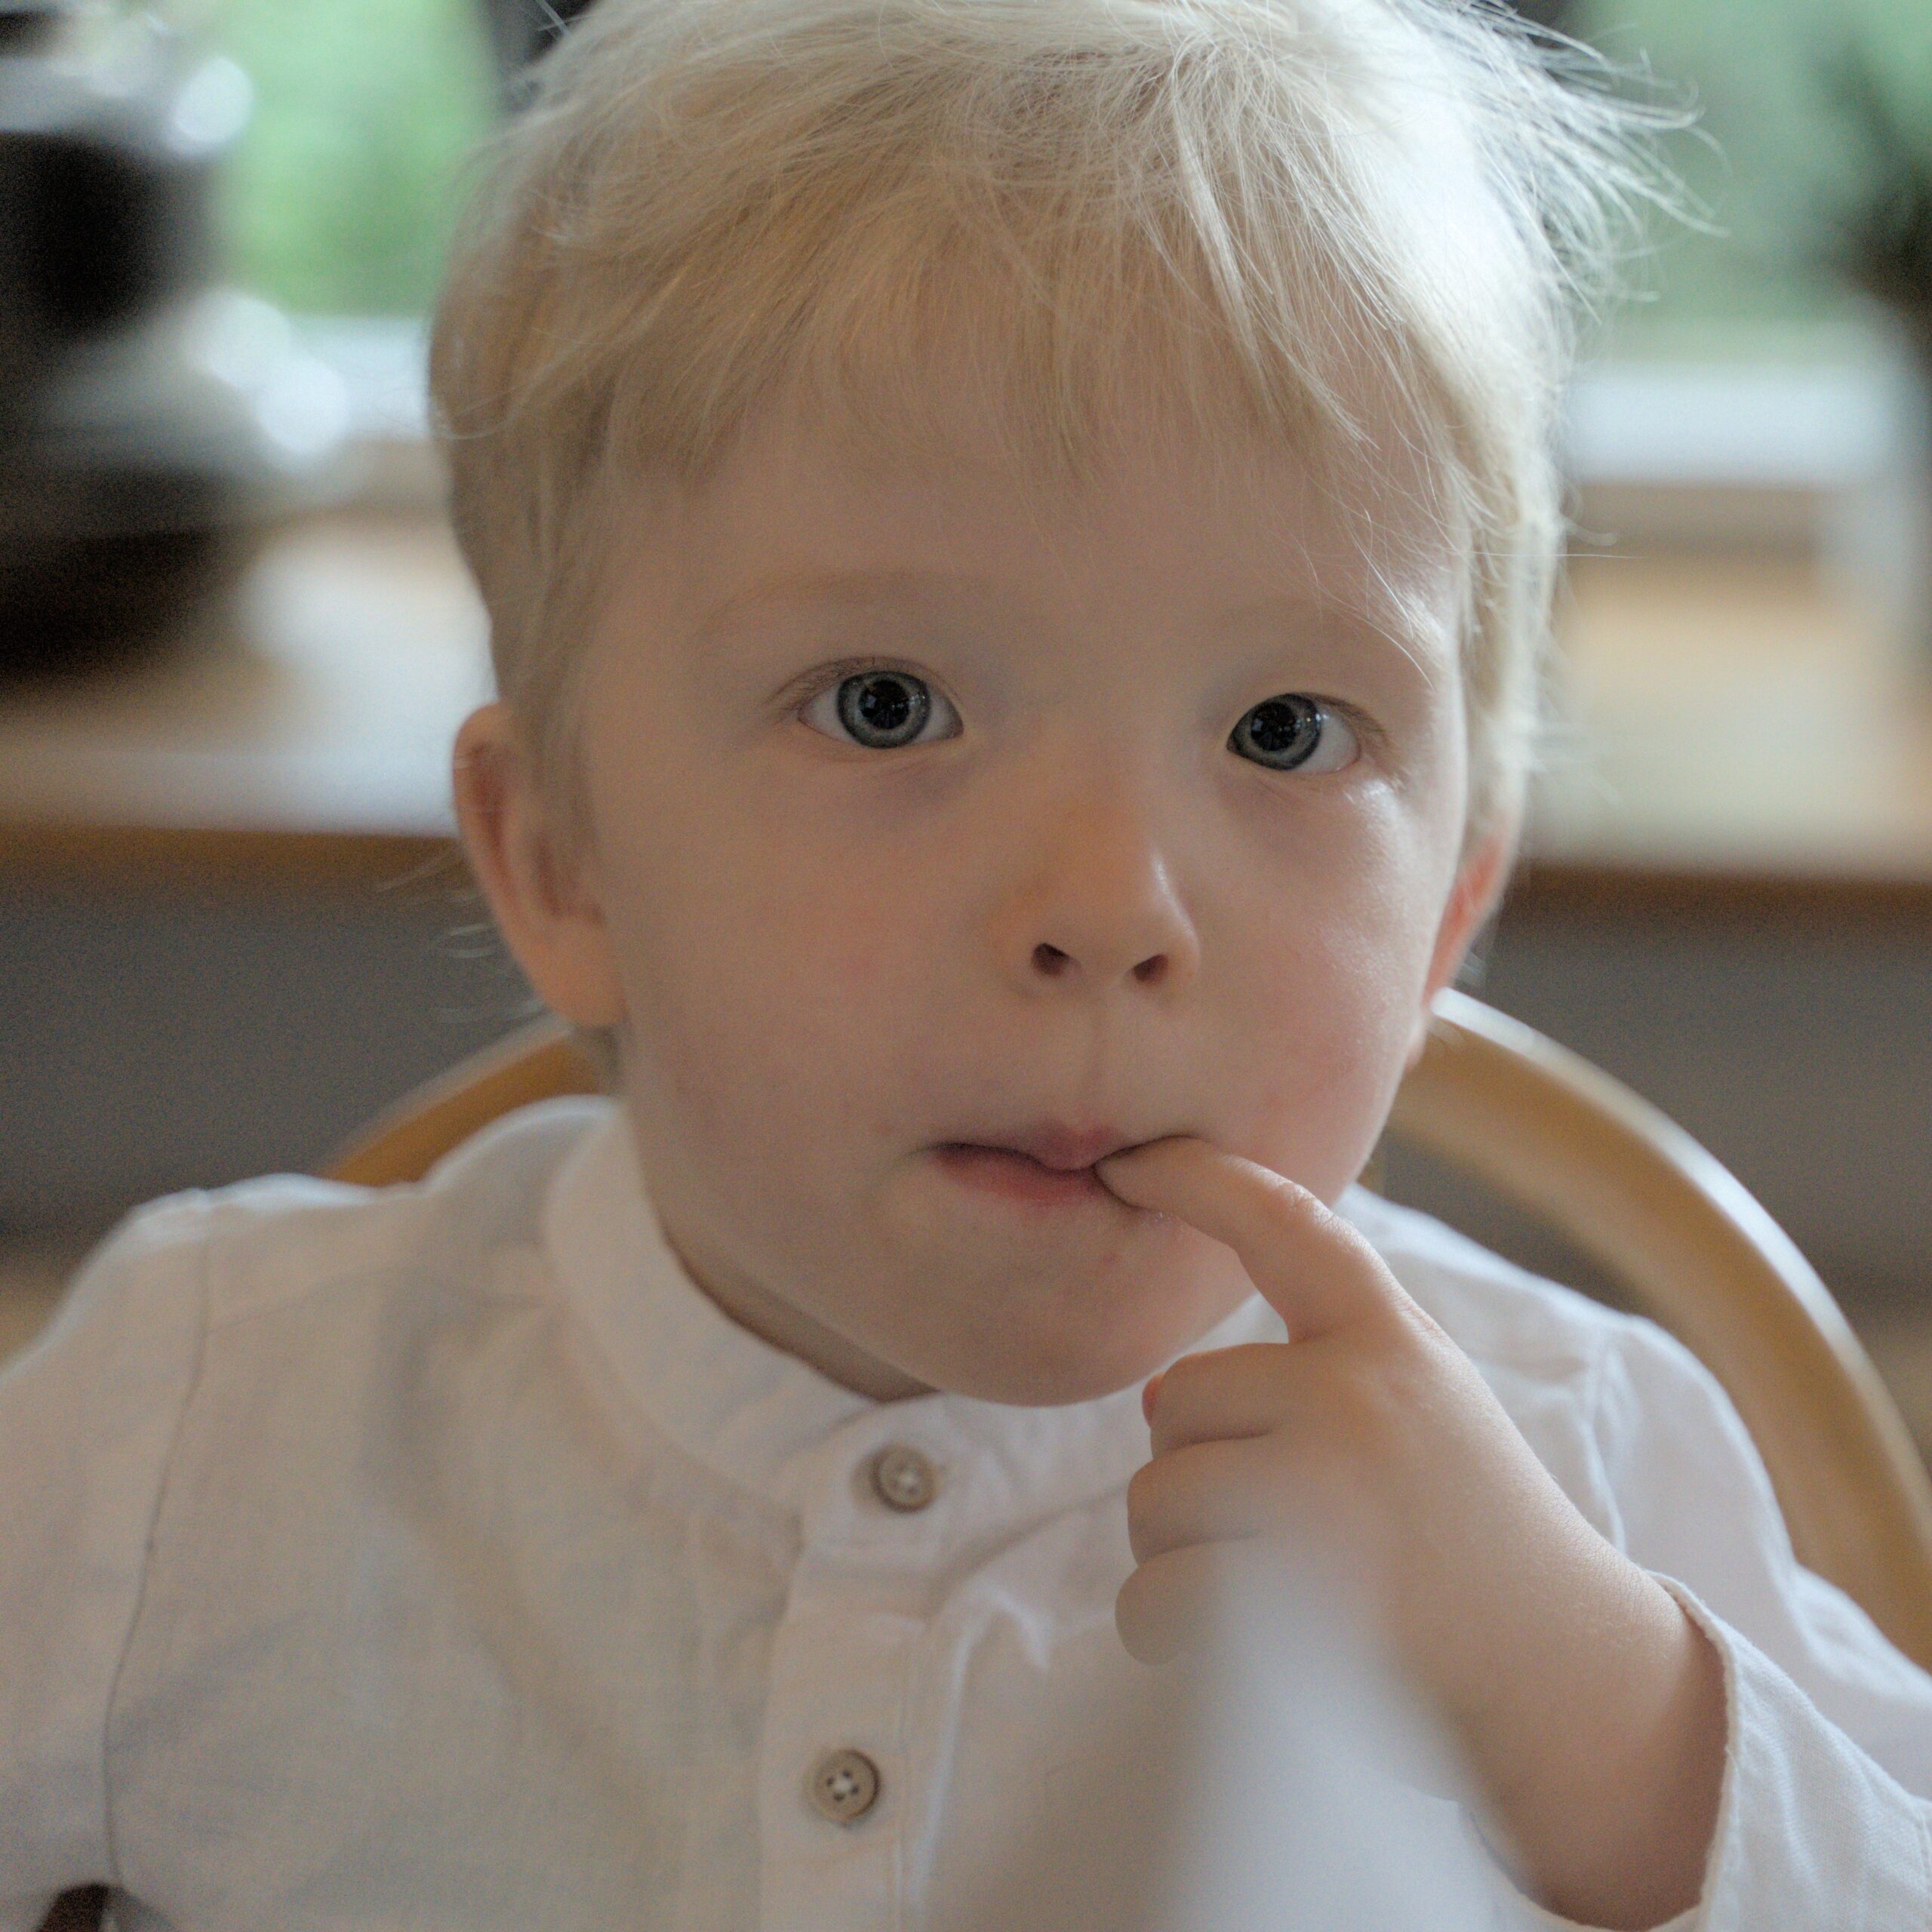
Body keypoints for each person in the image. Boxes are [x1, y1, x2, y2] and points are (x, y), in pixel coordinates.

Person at [4, 0, 1929, 1925]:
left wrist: (1610, 1722)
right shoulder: (196, 1428)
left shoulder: (1570, 1467)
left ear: (1444, 914)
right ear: (558, 859)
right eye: (886, 703)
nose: (1107, 905)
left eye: (1281, 731)